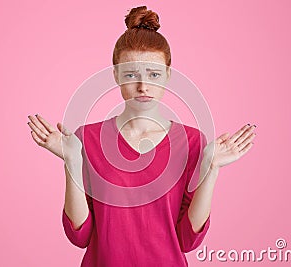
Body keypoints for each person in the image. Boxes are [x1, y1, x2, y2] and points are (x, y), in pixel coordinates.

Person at [27, 6, 257, 267]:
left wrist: (212, 167)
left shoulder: (193, 143)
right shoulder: (86, 139)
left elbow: (187, 241)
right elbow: (79, 235)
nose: (143, 86)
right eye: (130, 75)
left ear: (169, 75)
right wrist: (71, 161)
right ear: (115, 76)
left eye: (154, 74)